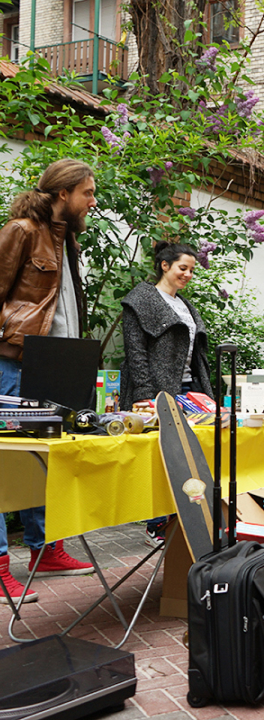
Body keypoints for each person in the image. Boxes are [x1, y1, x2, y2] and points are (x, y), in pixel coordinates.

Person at [0, 159, 98, 604]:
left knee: (47, 461)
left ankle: (46, 549)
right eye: (88, 193)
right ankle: (1, 567)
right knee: (6, 466)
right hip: (15, 363)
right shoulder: (21, 230)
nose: (92, 202)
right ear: (63, 194)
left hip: (55, 364)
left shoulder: (67, 241)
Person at [119, 242, 214, 545]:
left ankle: (183, 522)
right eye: (182, 268)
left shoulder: (185, 305)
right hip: (157, 392)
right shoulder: (141, 300)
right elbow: (135, 352)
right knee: (163, 458)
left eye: (191, 270)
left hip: (189, 390)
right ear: (164, 265)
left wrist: (204, 390)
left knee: (190, 457)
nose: (187, 274)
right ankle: (155, 526)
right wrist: (146, 395)